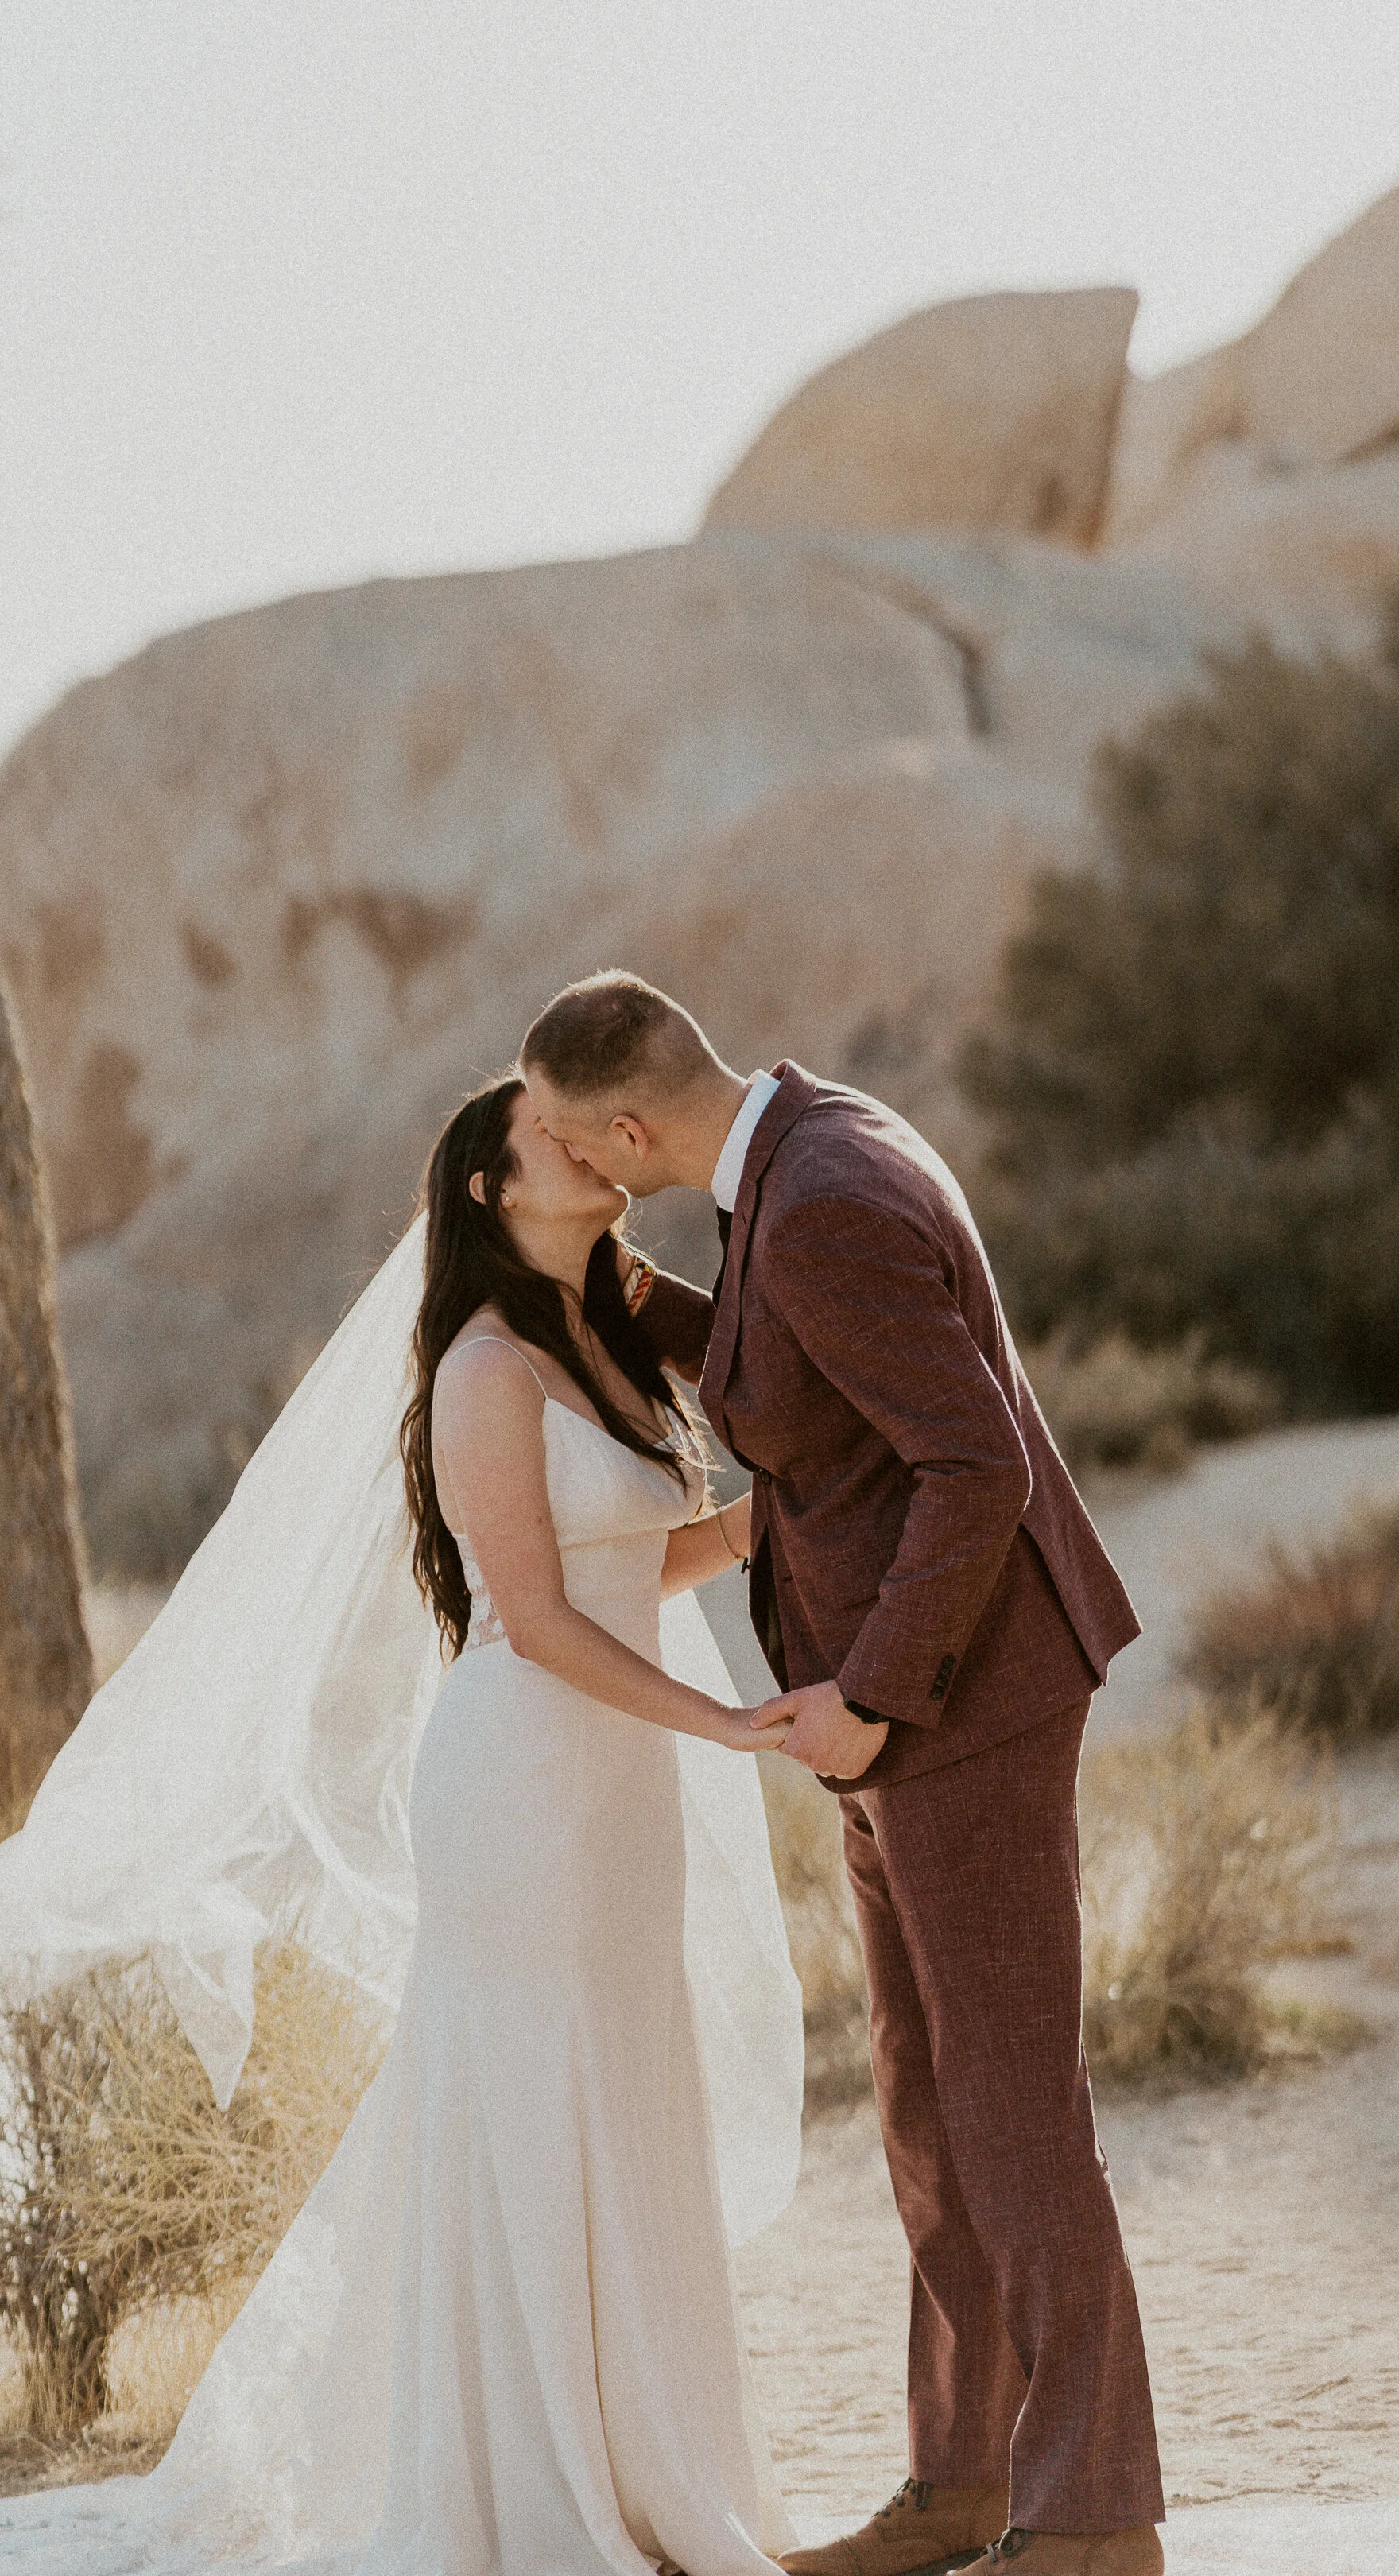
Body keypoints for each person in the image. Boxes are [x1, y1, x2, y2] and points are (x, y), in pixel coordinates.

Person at [0, 1076, 805, 2576]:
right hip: (528, 1781)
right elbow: (537, 1621)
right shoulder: (485, 1371)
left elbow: (623, 1570)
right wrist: (735, 1724)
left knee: (622, 2085)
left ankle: (643, 2470)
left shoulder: (595, 1343)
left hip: (616, 1787)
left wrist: (760, 1523)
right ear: (487, 1191)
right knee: (529, 2102)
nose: (589, 1147)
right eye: (549, 1138)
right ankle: (526, 2483)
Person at [521, 972, 1165, 2576]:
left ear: (621, 1128)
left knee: (1014, 2118)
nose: (554, 1152)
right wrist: (601, 1281)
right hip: (900, 1711)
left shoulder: (818, 1201)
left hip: (963, 1704)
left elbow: (974, 1461)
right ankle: (963, 2485)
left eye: (554, 1133)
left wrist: (876, 1698)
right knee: (931, 2111)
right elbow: (792, 1386)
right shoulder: (795, 1156)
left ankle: (1094, 2524)